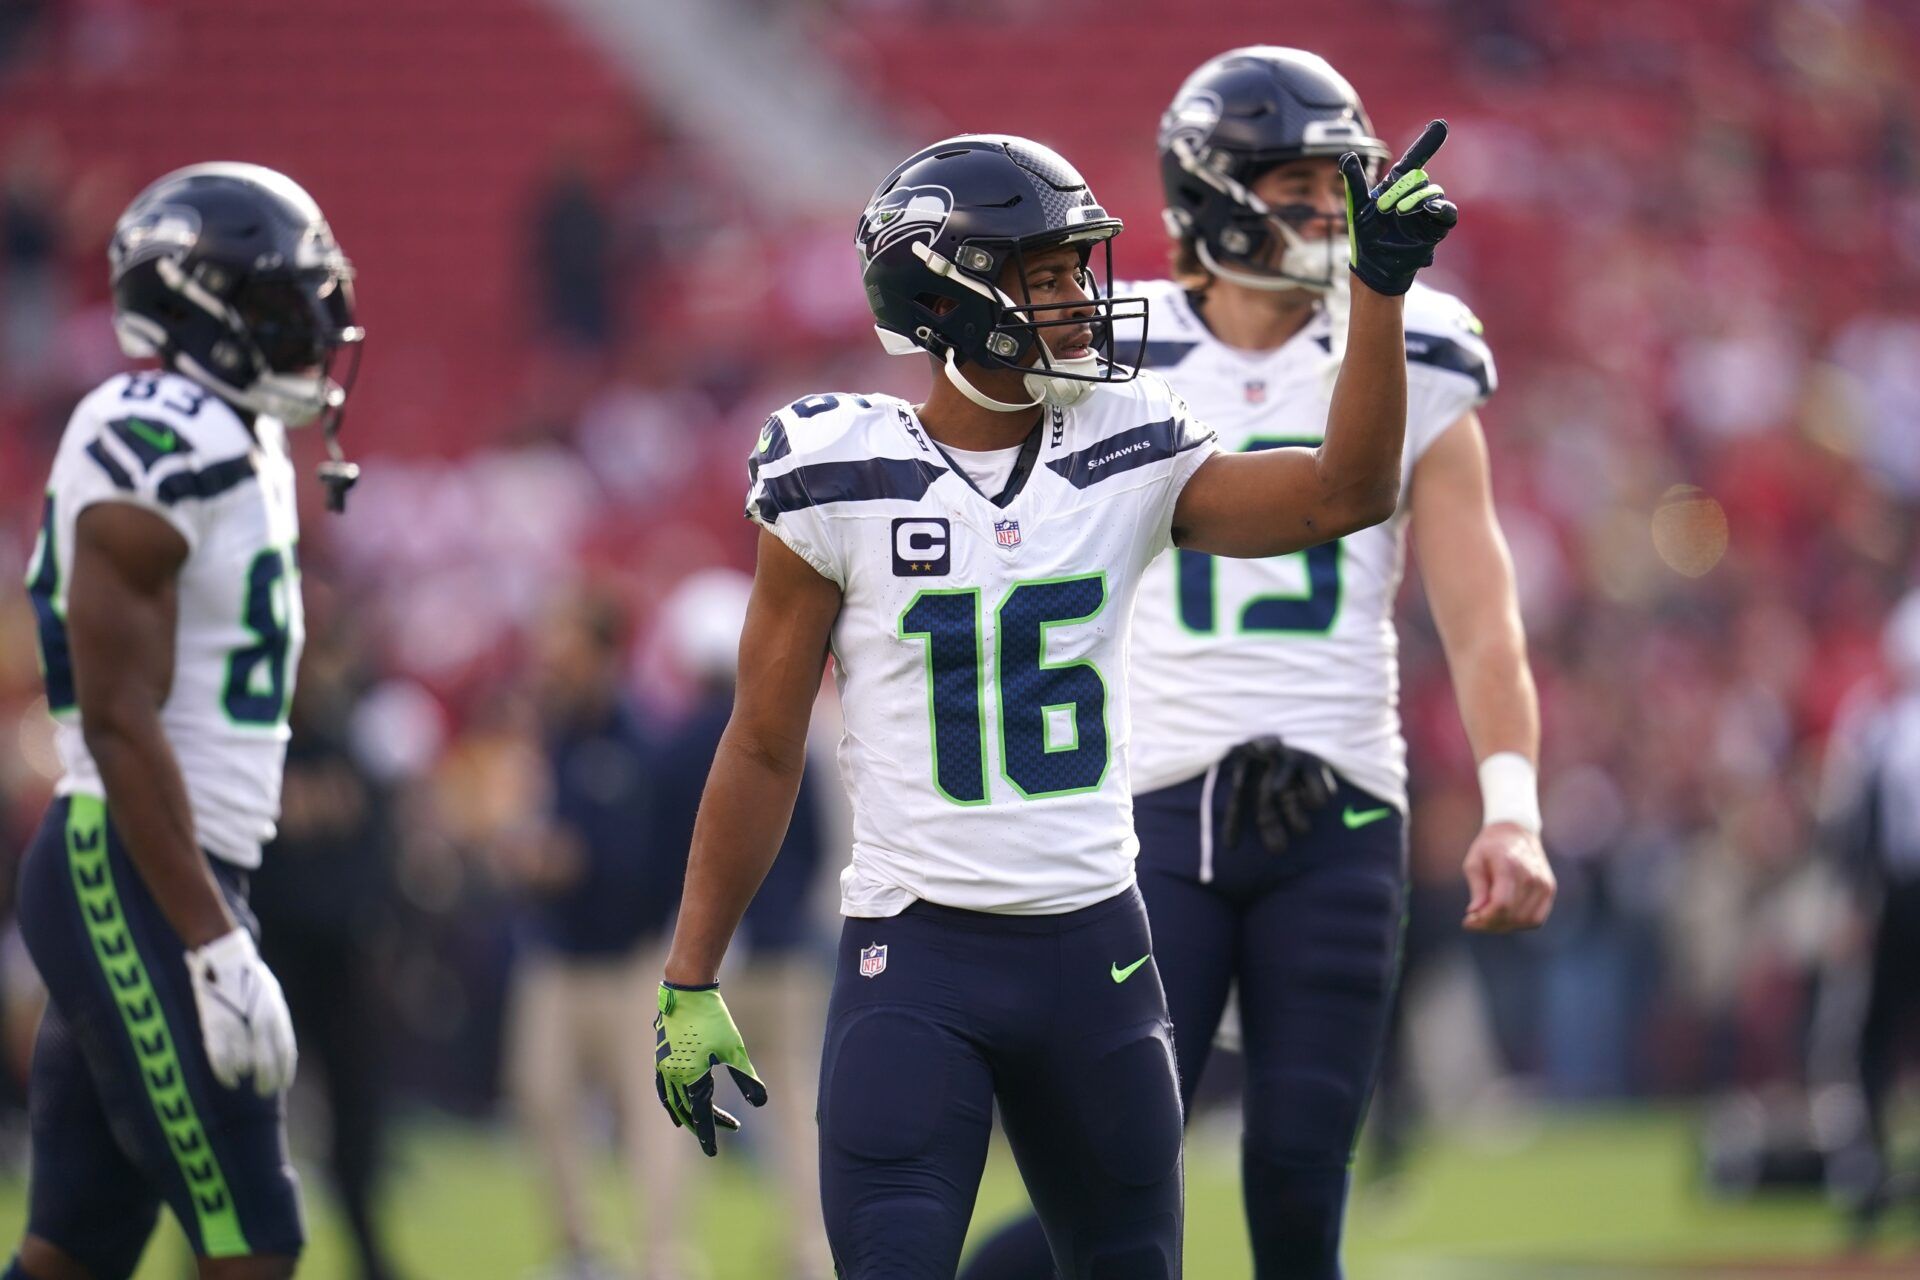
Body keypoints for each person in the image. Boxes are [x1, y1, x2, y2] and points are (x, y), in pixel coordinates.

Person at [651, 125, 1459, 1280]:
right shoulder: (835, 470)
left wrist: (1377, 291)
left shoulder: (1128, 447)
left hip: (1098, 954)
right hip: (915, 954)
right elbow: (766, 743)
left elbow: (1349, 491)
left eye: (1078, 268)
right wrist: (690, 971)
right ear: (950, 291)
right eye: (1045, 273)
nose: (1082, 298)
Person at [961, 49, 1555, 1280]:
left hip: (1336, 799)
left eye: (1340, 183)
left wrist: (1512, 804)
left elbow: (1480, 607)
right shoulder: (1105, 357)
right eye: (1299, 184)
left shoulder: (1419, 343)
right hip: (1147, 812)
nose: (1331, 211)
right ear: (1216, 190)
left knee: (1297, 1187)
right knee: (1113, 1179)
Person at [10, 162, 364, 1280]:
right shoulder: (150, 427)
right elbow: (117, 717)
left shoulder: (241, 434)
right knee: (255, 1235)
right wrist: (211, 939)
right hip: (134, 862)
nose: (309, 330)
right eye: (275, 306)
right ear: (196, 311)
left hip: (177, 863)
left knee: (74, 1249)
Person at [501, 589, 692, 1280]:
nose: (553, 658)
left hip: (631, 960)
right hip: (557, 956)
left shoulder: (642, 738)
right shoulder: (554, 733)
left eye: (567, 642)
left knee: (652, 1122)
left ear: (605, 651)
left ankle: (661, 1258)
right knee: (540, 1099)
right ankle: (581, 1250)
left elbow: (655, 855)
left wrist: (577, 861)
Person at [653, 568, 834, 1280]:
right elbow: (814, 843)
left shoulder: (672, 749)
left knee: (680, 1107)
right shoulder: (789, 736)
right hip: (784, 952)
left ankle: (668, 1252)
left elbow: (662, 854)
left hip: (706, 955)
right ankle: (813, 1247)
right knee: (794, 1105)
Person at [1819, 590, 1920, 1239]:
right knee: (1873, 1036)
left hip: (1896, 891)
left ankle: (1874, 1167)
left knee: (1875, 1036)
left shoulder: (1882, 724)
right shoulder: (1880, 723)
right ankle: (1870, 1166)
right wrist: (1855, 898)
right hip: (1898, 894)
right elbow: (1855, 825)